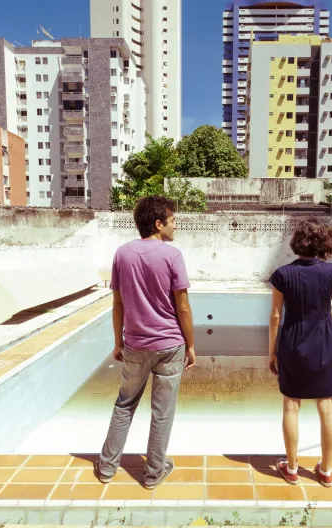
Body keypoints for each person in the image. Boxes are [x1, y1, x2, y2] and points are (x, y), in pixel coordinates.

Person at [95, 195, 196, 490]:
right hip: (170, 345)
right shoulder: (172, 255)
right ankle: (153, 473)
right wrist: (191, 345)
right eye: (173, 220)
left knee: (124, 404)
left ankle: (106, 467)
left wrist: (118, 342)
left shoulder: (122, 254)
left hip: (135, 345)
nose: (175, 226)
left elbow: (118, 304)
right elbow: (183, 307)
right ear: (158, 223)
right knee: (162, 412)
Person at [267, 219, 332, 487]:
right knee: (326, 407)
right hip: (324, 342)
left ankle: (292, 468)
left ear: (297, 243)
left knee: (291, 405)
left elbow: (275, 316)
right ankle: (326, 470)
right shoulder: (330, 272)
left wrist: (272, 352)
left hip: (293, 341)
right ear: (321, 245)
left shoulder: (282, 274)